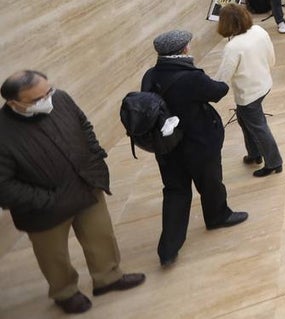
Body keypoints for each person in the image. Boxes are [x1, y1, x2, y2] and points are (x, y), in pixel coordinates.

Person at [0, 70, 145, 315]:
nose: (47, 100)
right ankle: (65, 293)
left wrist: (96, 159)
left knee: (101, 235)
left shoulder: (62, 99)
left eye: (49, 91)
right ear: (14, 103)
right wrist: (46, 200)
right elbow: (3, 185)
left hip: (85, 185)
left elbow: (84, 126)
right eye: (37, 99)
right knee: (53, 255)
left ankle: (108, 278)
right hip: (44, 209)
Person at [142, 30, 247, 267]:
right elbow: (218, 92)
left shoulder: (151, 75)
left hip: (167, 147)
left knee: (175, 193)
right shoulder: (190, 78)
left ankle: (168, 249)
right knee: (210, 183)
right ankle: (218, 216)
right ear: (182, 50)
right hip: (198, 142)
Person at [214, 5, 282, 177]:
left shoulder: (233, 47)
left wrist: (210, 90)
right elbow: (271, 57)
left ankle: (274, 162)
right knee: (245, 121)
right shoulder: (258, 30)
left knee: (258, 127)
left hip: (248, 93)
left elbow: (223, 77)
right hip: (263, 83)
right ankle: (254, 153)